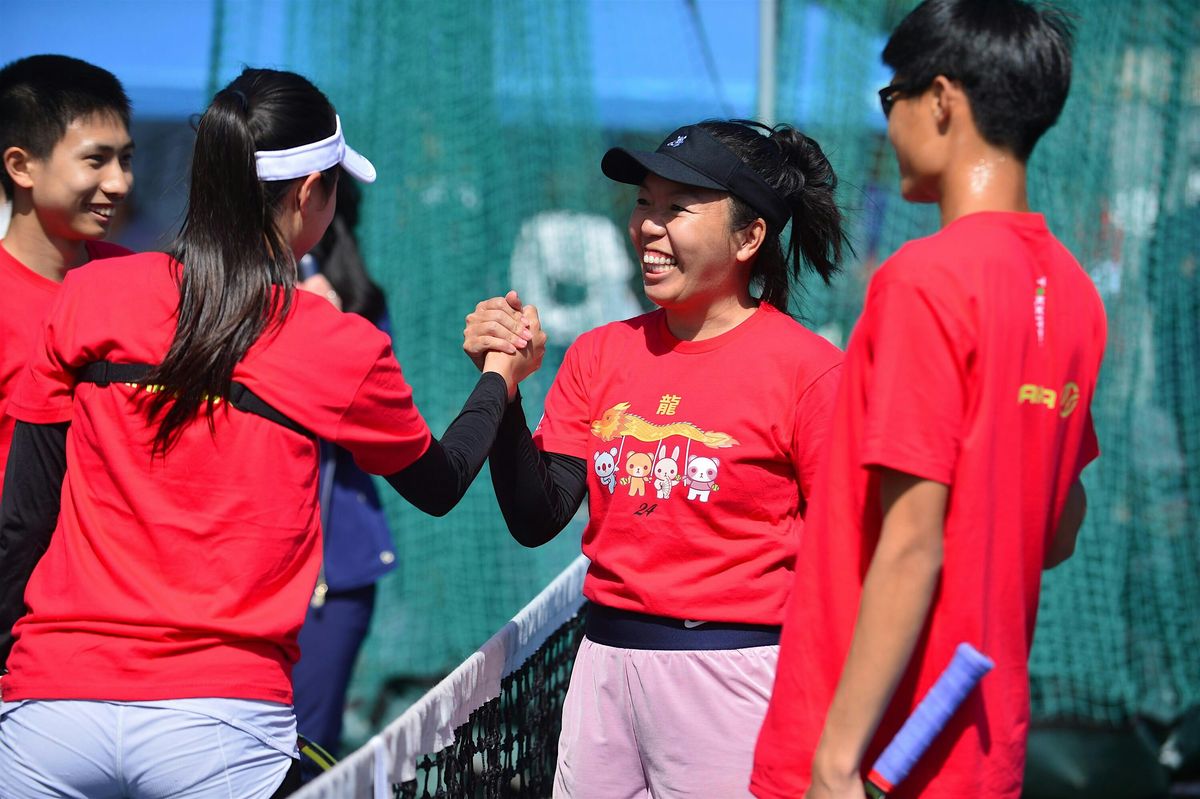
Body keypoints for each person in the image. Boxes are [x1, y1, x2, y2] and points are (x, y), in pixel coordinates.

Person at [0, 67, 543, 798]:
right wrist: (500, 376)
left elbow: (24, 517)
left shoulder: (87, 294)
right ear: (311, 194)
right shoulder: (337, 341)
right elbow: (440, 483)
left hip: (46, 711)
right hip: (220, 725)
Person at [750, 2, 1105, 798]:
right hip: (978, 741)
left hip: (869, 749)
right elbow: (1056, 530)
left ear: (941, 100)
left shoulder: (923, 279)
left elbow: (913, 539)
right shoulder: (1077, 294)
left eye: (891, 99)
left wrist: (835, 762)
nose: (888, 123)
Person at [465, 119, 849, 797]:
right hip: (602, 667)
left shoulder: (810, 371)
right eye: (645, 202)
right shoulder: (598, 354)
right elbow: (537, 514)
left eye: (678, 207)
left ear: (748, 237)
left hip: (738, 678)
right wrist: (507, 391)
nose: (648, 225)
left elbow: (845, 562)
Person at [292, 176, 399, 759]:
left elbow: (370, 428)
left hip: (331, 578)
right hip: (227, 565)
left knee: (308, 749)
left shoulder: (359, 305)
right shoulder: (215, 296)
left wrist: (325, 331)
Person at [0, 54, 134, 502]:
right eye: (96, 160)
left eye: (125, 160)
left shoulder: (134, 280)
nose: (119, 183)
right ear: (21, 166)